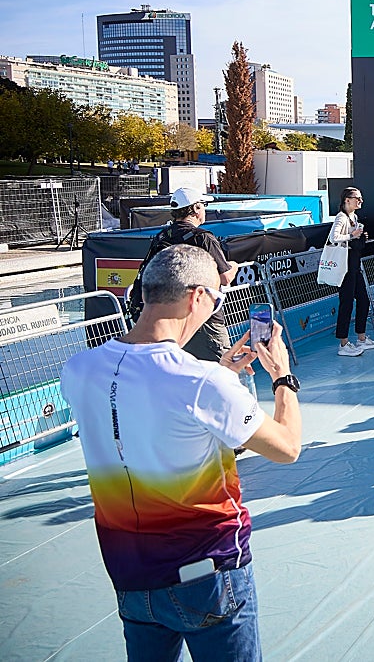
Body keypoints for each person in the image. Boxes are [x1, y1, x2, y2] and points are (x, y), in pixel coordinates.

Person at [60, 244, 302, 659]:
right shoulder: (202, 382)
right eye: (217, 300)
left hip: (130, 575)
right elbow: (287, 447)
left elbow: (144, 412)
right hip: (206, 576)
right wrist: (282, 377)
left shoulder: (79, 369)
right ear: (197, 296)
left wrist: (222, 375)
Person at [129, 187, 238, 362]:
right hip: (205, 319)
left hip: (173, 320)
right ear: (195, 208)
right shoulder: (202, 238)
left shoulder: (162, 236)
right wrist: (233, 266)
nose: (205, 210)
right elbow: (225, 278)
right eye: (203, 205)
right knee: (225, 368)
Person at [330, 187, 374, 356]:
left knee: (363, 300)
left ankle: (361, 337)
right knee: (347, 303)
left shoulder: (354, 217)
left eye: (361, 198)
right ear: (347, 200)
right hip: (345, 267)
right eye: (357, 198)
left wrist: (359, 236)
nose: (360, 201)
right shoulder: (341, 217)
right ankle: (343, 344)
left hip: (354, 265)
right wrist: (352, 235)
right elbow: (334, 237)